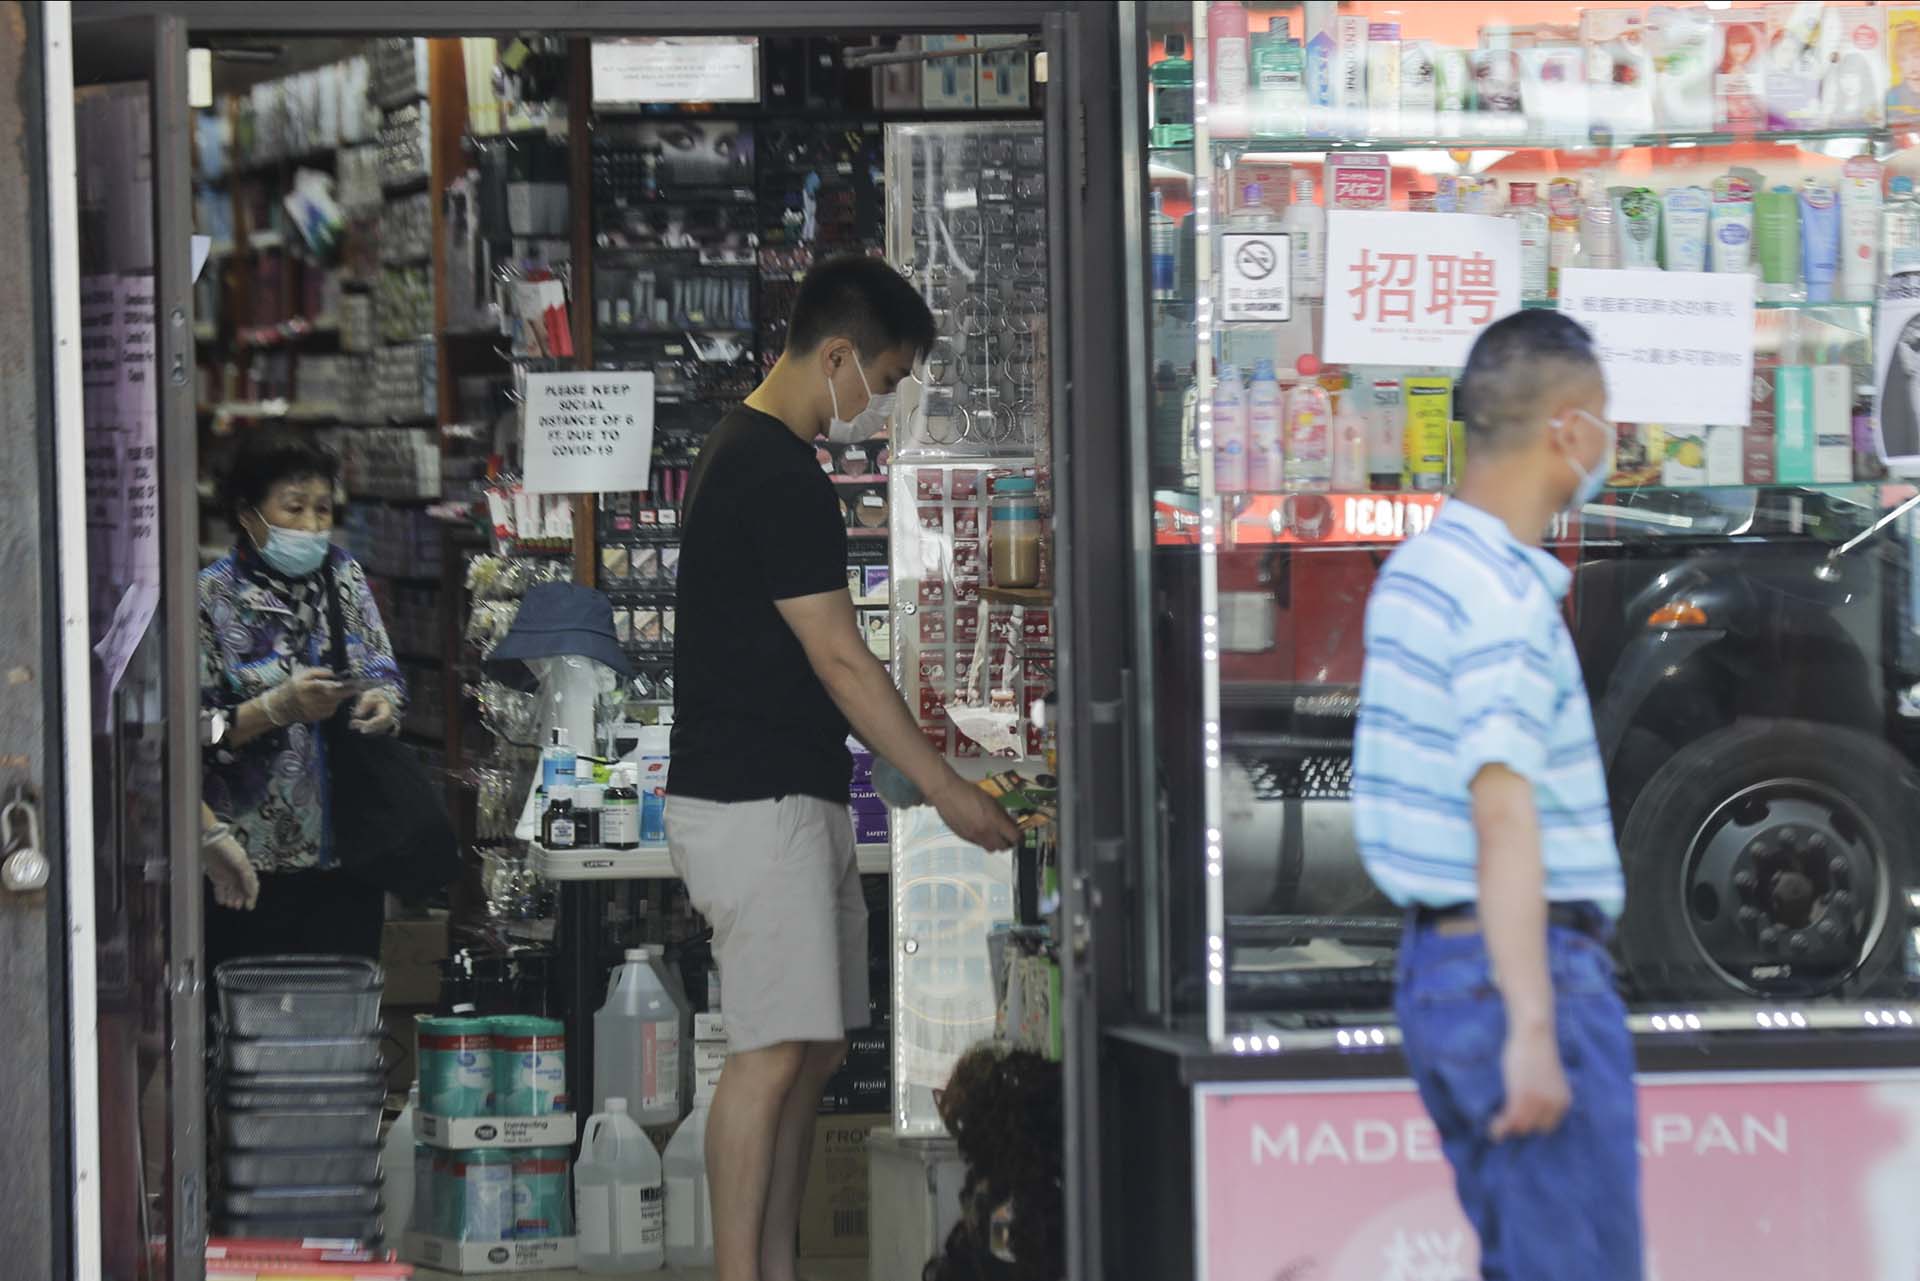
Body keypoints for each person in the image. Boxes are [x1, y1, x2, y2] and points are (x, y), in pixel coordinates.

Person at [668, 255, 1021, 1281]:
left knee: (809, 1051)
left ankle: (772, 1267)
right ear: (836, 357)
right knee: (770, 1053)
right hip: (754, 800)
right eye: (890, 379)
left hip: (784, 792)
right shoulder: (770, 465)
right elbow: (838, 657)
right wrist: (947, 790)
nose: (889, 404)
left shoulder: (754, 455)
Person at [1352, 311, 1641, 1279]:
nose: (1611, 445)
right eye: (1607, 422)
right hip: (1526, 972)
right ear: (1568, 430)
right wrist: (1532, 1028)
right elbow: (1503, 812)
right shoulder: (1505, 596)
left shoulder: (1415, 576)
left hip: (1441, 974)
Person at [200, 429, 405, 972]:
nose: (312, 526)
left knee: (341, 1026)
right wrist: (274, 709)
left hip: (347, 854)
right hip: (244, 865)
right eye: (294, 509)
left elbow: (382, 667)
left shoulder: (343, 577)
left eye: (322, 510)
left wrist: (382, 702)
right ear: (248, 514)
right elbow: (193, 734)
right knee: (249, 1030)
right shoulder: (210, 600)